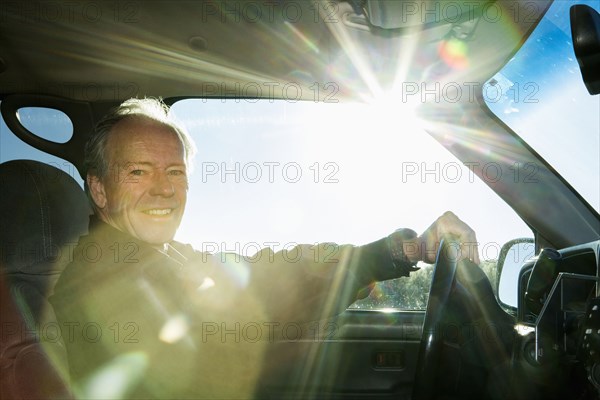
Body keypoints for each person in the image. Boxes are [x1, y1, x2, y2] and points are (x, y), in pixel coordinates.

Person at [50, 98, 479, 399]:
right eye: (139, 171)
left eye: (175, 171)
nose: (164, 189)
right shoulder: (96, 278)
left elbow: (267, 272)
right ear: (100, 190)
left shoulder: (165, 256)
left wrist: (405, 251)